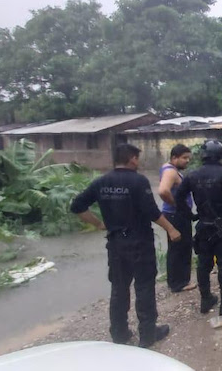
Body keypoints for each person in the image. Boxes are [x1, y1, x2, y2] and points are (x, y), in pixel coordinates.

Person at [70, 143, 181, 348]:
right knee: (144, 287)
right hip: (139, 243)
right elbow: (151, 211)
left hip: (116, 244)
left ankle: (119, 334)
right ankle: (147, 334)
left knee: (119, 289)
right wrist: (171, 229)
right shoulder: (138, 181)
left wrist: (98, 224)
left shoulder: (101, 182)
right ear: (131, 159)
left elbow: (76, 206)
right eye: (137, 158)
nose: (138, 162)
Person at [173, 140, 222, 317]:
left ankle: (206, 299)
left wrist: (190, 215)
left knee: (204, 264)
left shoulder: (192, 175)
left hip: (203, 227)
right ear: (221, 155)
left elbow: (179, 197)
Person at [158, 144, 196, 293]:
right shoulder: (171, 172)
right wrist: (177, 204)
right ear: (174, 157)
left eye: (188, 158)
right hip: (176, 215)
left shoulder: (169, 169)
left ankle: (176, 281)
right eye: (184, 158)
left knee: (178, 247)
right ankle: (179, 283)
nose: (187, 161)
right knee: (181, 248)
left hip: (174, 215)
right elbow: (162, 191)